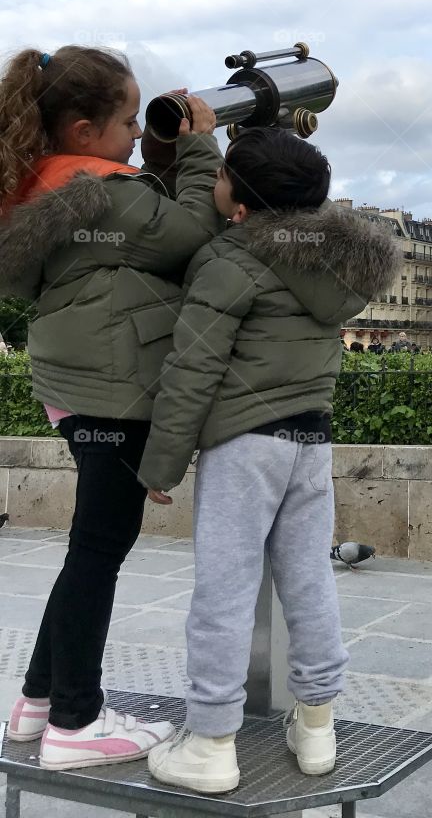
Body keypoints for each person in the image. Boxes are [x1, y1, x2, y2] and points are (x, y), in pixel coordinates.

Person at [138, 127, 400, 793]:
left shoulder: (229, 264)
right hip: (311, 441)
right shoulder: (331, 266)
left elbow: (192, 368)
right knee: (309, 581)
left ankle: (212, 742)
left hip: (245, 443)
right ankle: (317, 728)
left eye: (223, 175)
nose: (216, 182)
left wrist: (161, 464)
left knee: (223, 591)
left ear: (240, 206)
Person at [0, 45, 222, 769]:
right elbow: (188, 234)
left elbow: (134, 231)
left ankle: (38, 698)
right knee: (98, 549)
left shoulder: (44, 185)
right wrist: (196, 151)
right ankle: (75, 721)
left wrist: (151, 158)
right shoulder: (103, 188)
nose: (134, 132)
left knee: (86, 548)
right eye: (127, 120)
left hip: (71, 383)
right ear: (83, 130)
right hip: (115, 384)